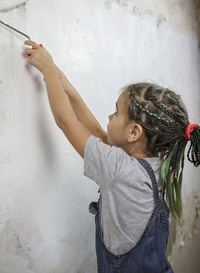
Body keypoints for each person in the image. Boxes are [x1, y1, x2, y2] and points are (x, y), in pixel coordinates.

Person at [24, 41, 200, 273]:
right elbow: (101, 137)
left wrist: (48, 72)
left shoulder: (121, 170)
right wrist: (66, 85)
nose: (110, 115)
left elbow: (66, 122)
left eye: (117, 112)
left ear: (134, 132)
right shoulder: (152, 163)